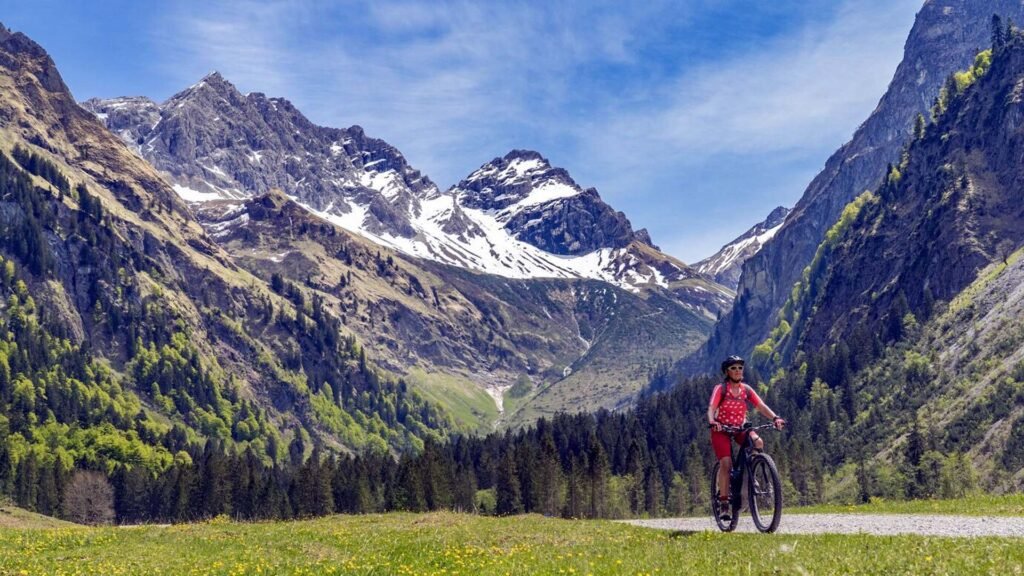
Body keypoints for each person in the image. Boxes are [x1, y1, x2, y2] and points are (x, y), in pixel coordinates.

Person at [707, 355, 785, 522]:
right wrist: (713, 421)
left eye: (740, 368)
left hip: (739, 427)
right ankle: (724, 504)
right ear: (727, 372)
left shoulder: (746, 390)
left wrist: (775, 418)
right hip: (721, 429)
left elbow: (761, 406)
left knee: (758, 442)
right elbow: (712, 407)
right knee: (726, 464)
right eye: (733, 368)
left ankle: (752, 472)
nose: (737, 371)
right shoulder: (721, 389)